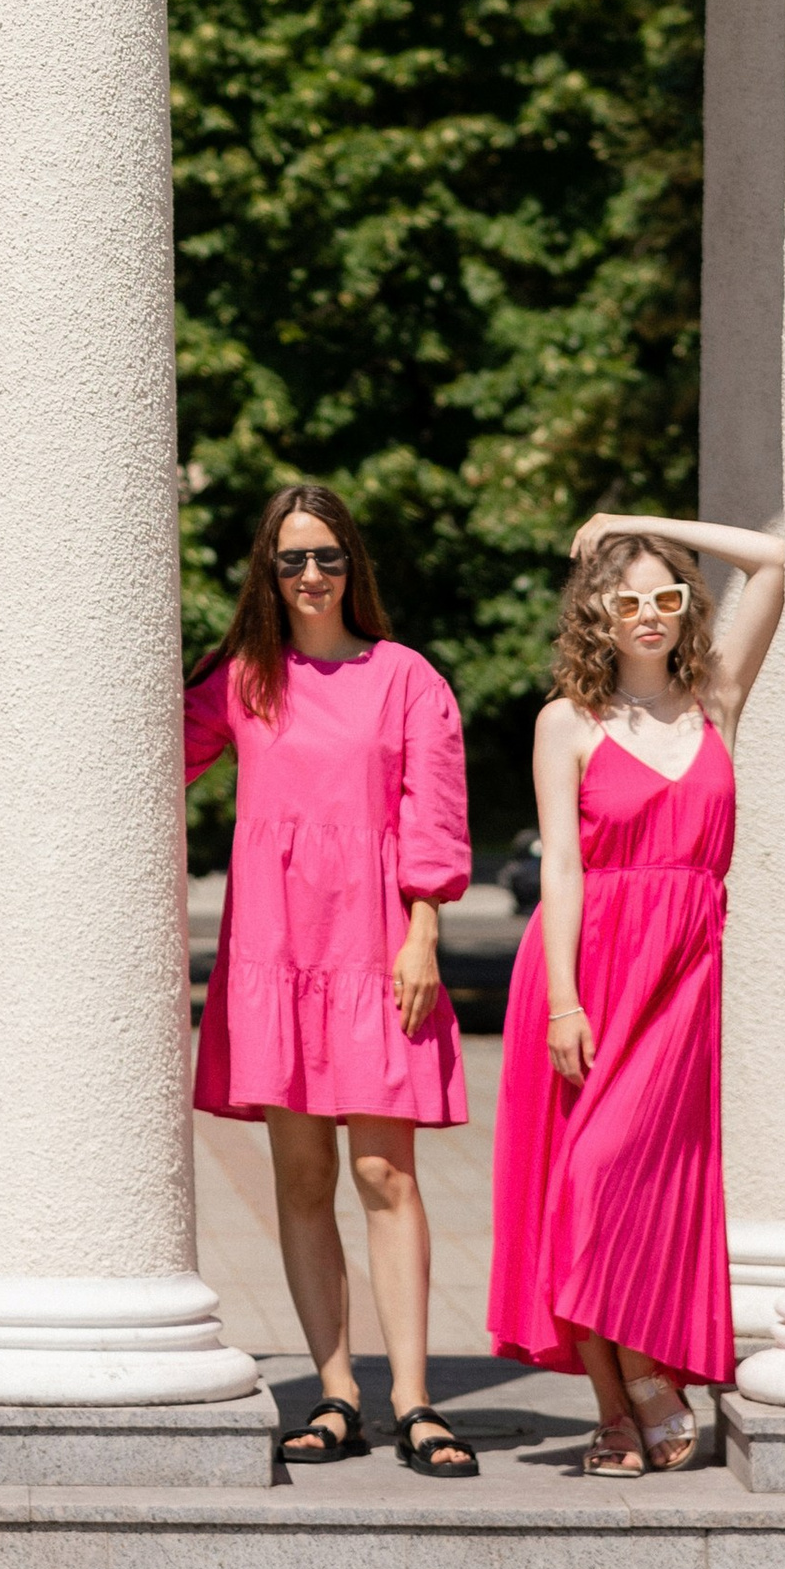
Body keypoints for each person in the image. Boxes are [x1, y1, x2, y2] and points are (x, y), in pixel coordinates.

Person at [185, 482, 477, 1480]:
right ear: (267, 574)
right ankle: (335, 1394)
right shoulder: (241, 680)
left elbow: (434, 816)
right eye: (291, 559)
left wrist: (422, 933)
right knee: (301, 1182)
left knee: (383, 1176)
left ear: (354, 565)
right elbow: (140, 752)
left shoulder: (405, 678)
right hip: (275, 953)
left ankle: (416, 1400)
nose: (311, 575)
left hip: (376, 947)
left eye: (327, 556)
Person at [488, 510, 783, 1476]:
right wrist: (566, 1000)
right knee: (578, 1182)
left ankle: (642, 1378)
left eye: (667, 596)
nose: (650, 614)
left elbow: (774, 559)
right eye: (629, 600)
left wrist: (631, 524)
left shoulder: (717, 700)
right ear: (598, 616)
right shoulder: (565, 723)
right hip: (587, 971)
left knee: (634, 1180)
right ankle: (624, 1395)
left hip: (684, 974)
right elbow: (562, 871)